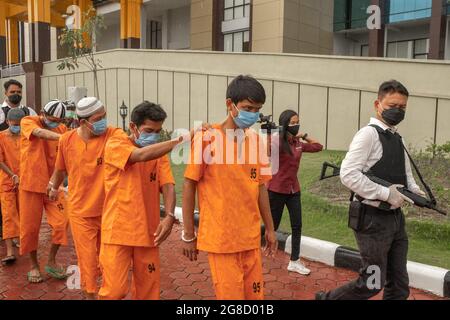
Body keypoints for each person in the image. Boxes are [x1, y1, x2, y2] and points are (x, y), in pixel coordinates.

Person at [316, 80, 424, 300]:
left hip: (395, 219)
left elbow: (406, 176)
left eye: (402, 107)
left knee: (399, 285)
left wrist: (416, 193)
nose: (398, 111)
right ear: (378, 104)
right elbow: (348, 174)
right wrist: (386, 193)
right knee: (372, 283)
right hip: (372, 220)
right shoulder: (368, 135)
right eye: (393, 105)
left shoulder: (396, 137)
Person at [181, 75, 278, 300]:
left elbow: (261, 187)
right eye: (247, 108)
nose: (252, 115)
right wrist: (188, 234)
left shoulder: (255, 140)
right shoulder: (207, 138)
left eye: (257, 109)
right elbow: (189, 184)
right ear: (229, 104)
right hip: (222, 240)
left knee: (255, 300)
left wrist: (270, 230)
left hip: (250, 237)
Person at [98, 101, 187, 300]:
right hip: (117, 231)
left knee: (148, 291)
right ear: (133, 127)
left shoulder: (158, 152)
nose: (153, 135)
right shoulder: (116, 143)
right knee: (114, 292)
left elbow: (168, 185)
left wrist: (170, 216)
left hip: (148, 232)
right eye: (148, 130)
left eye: (157, 131)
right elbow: (138, 155)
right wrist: (179, 141)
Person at [48, 97, 122, 299]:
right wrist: (53, 187)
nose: (104, 121)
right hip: (81, 213)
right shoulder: (66, 140)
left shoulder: (113, 135)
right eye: (99, 118)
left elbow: (135, 149)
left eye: (105, 116)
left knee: (110, 263)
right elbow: (60, 170)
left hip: (109, 212)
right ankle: (90, 296)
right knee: (87, 263)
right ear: (83, 122)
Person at [19, 99, 69, 283]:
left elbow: (66, 156)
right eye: (51, 118)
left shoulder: (62, 130)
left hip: (53, 185)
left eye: (58, 120)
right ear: (42, 112)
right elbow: (39, 133)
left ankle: (51, 260)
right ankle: (33, 266)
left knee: (62, 222)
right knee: (30, 228)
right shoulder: (28, 121)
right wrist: (63, 138)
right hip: (30, 185)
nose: (54, 122)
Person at [268, 109, 323, 275]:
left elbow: (318, 147)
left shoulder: (297, 143)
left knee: (297, 226)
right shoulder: (277, 142)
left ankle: (294, 261)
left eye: (297, 122)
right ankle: (250, 248)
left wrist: (303, 135)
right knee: (272, 226)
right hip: (276, 190)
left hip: (293, 190)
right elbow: (267, 151)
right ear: (284, 124)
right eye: (292, 122)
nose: (295, 124)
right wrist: (272, 134)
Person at [0, 79, 37, 240]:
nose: (16, 95)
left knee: (23, 204)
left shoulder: (29, 111)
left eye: (19, 92)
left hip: (24, 164)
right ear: (6, 93)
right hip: (4, 163)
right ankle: (7, 234)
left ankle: (20, 235)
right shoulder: (0, 112)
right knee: (5, 204)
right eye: (13, 92)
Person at [0, 108, 26, 265]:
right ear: (8, 122)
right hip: (7, 182)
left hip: (24, 181)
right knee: (9, 215)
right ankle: (10, 252)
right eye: (14, 124)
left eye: (19, 124)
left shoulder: (26, 137)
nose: (17, 127)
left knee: (23, 214)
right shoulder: (1, 137)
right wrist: (12, 175)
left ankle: (21, 241)